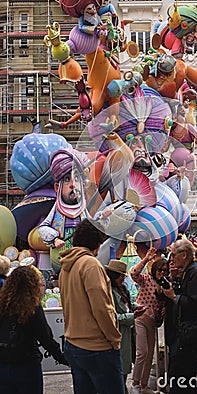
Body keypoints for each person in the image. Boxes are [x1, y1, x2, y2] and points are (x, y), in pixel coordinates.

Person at [58, 219, 125, 394]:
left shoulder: (67, 265)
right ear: (97, 242)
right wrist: (114, 338)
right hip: (97, 346)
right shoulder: (90, 264)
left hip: (74, 344)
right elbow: (102, 308)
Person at [0, 265, 68, 394]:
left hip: (2, 362)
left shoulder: (3, 304)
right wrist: (62, 358)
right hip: (26, 363)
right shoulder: (32, 307)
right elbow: (45, 338)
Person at [162, 238, 197, 394]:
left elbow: (196, 302)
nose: (172, 258)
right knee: (182, 376)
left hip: (191, 331)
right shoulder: (189, 271)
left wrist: (173, 297)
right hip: (185, 330)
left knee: (181, 375)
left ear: (184, 255)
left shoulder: (195, 272)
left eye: (174, 255)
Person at [38, 148, 89, 275]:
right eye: (67, 180)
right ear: (57, 187)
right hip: (60, 259)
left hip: (82, 258)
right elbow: (42, 228)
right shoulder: (57, 209)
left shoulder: (85, 209)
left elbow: (92, 224)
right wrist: (54, 239)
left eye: (76, 179)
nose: (72, 185)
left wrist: (102, 217)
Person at [130, 247, 167, 394]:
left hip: (153, 321)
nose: (162, 272)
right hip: (141, 317)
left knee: (150, 354)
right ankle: (135, 383)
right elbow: (133, 273)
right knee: (142, 352)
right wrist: (146, 258)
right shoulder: (147, 279)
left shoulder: (165, 284)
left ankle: (143, 386)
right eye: (160, 270)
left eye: (165, 270)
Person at [105, 259, 145, 393]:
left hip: (127, 335)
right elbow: (111, 317)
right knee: (118, 370)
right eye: (121, 276)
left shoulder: (121, 288)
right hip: (117, 335)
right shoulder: (107, 291)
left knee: (125, 367)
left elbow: (127, 304)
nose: (123, 278)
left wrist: (137, 308)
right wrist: (133, 316)